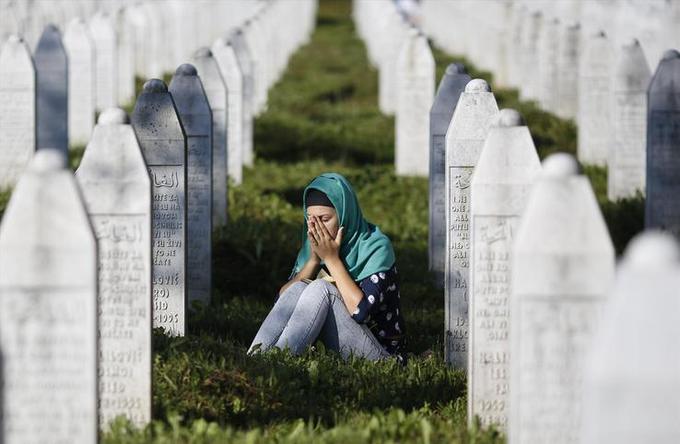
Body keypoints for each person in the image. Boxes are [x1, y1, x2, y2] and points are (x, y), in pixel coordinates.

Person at [248, 173, 406, 362]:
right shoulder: (312, 247)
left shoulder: (376, 247)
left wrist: (332, 260)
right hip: (332, 346)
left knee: (321, 288)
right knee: (298, 286)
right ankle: (255, 359)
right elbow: (281, 305)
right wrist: (314, 261)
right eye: (310, 219)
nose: (315, 227)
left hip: (379, 353)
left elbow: (361, 312)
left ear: (344, 216)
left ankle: (277, 363)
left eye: (324, 219)